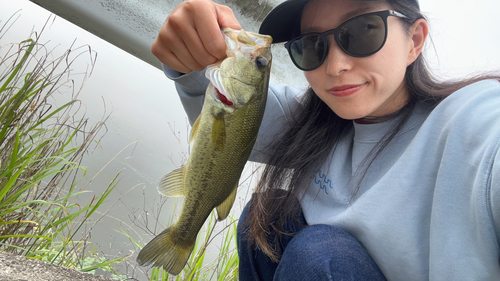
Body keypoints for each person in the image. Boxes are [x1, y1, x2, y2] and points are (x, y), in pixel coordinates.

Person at [152, 0, 500, 280]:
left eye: (363, 30)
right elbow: (223, 120)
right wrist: (186, 61)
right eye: (311, 46)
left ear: (415, 40)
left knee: (319, 254)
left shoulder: (475, 124)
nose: (334, 67)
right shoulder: (318, 119)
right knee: (268, 213)